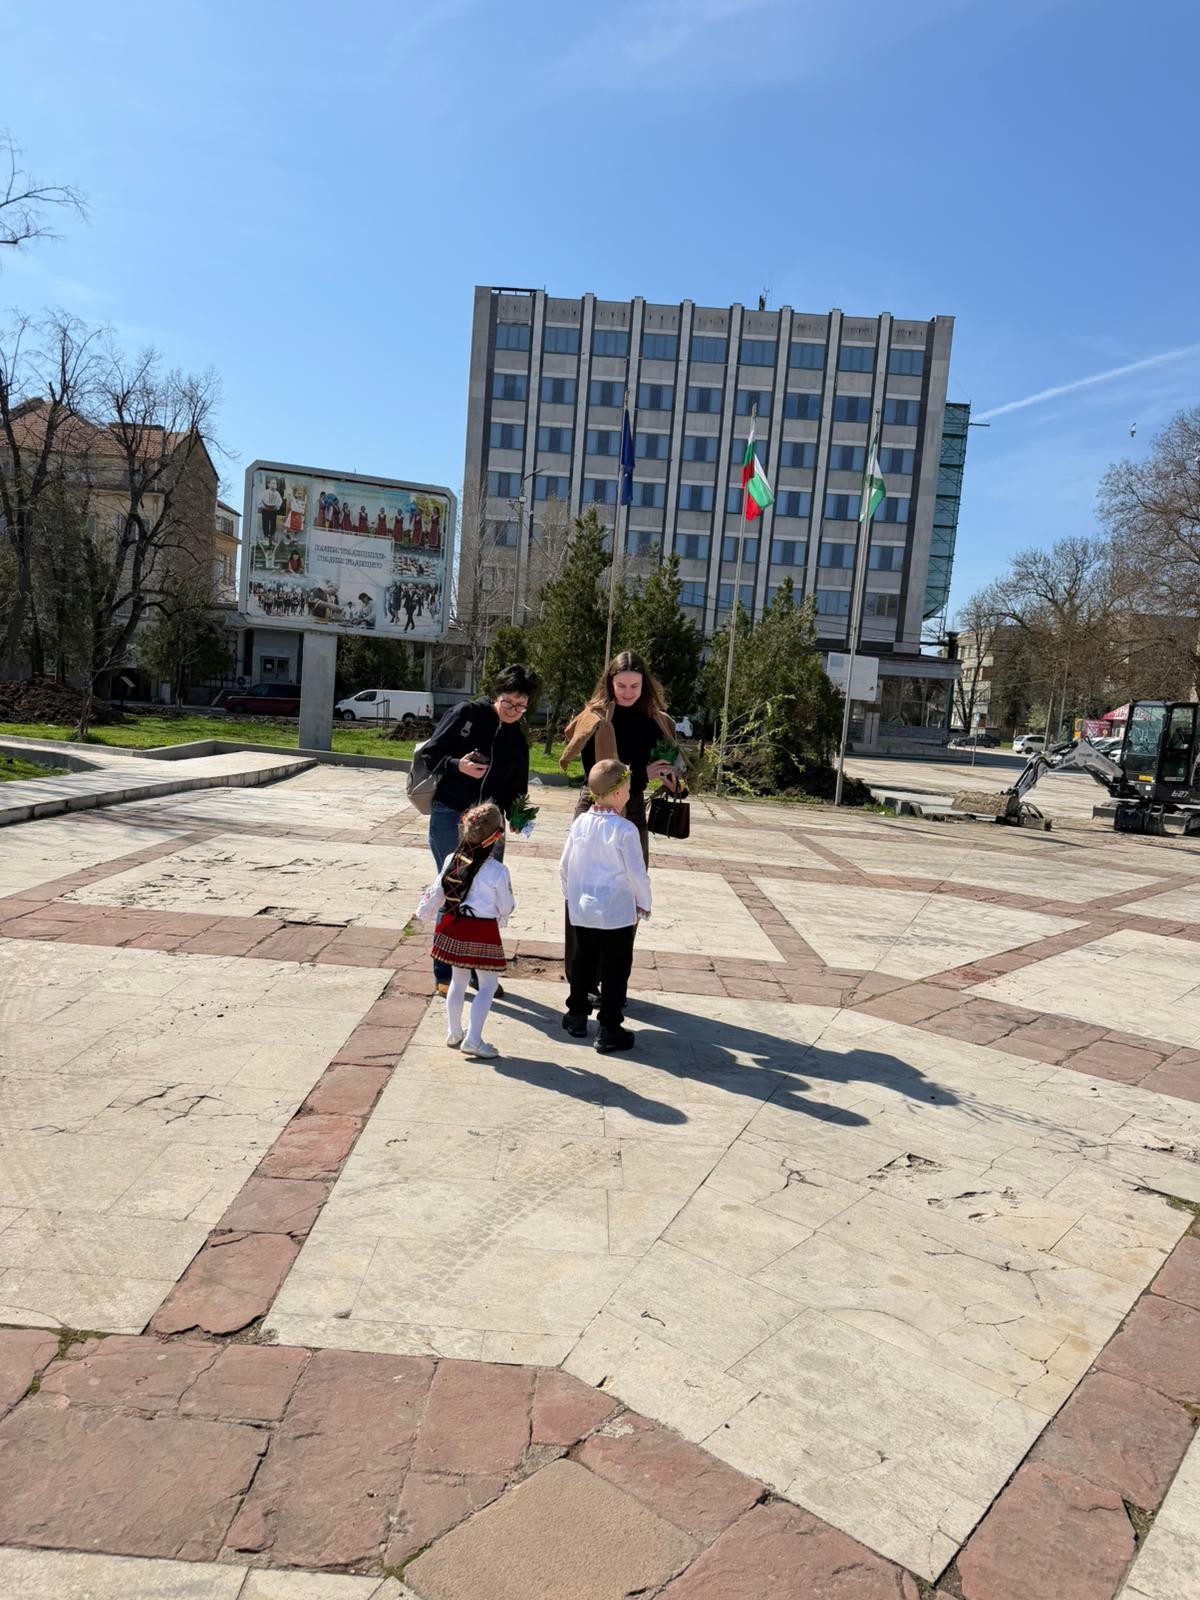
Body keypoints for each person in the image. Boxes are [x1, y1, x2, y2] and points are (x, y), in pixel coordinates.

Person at [558, 650, 683, 972]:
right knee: (583, 884)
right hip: (593, 805)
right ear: (610, 683)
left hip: (634, 807)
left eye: (635, 686)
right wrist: (644, 773)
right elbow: (596, 776)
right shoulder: (596, 717)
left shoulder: (657, 720)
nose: (628, 692)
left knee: (628, 887)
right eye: (622, 685)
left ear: (645, 685)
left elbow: (676, 768)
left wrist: (673, 780)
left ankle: (612, 974)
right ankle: (580, 975)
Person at [421, 663, 539, 995]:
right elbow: (431, 754)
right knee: (454, 889)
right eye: (508, 702)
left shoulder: (517, 739)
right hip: (451, 815)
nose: (513, 711)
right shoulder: (467, 714)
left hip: (490, 826)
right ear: (496, 694)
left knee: (483, 896)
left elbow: (517, 788)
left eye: (521, 706)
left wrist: (518, 816)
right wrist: (458, 765)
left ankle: (475, 971)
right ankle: (445, 972)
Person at [560, 759, 652, 1053]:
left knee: (583, 959)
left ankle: (576, 1015)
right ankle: (609, 1027)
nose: (629, 793)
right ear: (617, 793)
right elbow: (636, 872)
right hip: (616, 912)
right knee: (615, 968)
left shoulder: (580, 823)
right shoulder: (625, 830)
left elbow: (565, 865)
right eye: (628, 788)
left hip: (584, 908)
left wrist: (570, 896)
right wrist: (644, 902)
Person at [416, 802, 513, 1060]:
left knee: (457, 981)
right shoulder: (497, 871)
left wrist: (424, 913)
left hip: (454, 926)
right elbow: (506, 905)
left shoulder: (452, 859)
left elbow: (436, 892)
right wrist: (502, 914)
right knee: (488, 985)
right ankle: (473, 1039)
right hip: (482, 931)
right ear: (496, 837)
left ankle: (454, 1031)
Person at [259, 478, 282, 547]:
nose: (274, 485)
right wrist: (262, 506)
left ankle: (272, 536)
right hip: (266, 510)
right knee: (265, 522)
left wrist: (277, 506)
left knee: (273, 523)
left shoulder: (277, 493)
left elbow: (280, 501)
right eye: (273, 483)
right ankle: (266, 536)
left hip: (273, 510)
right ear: (268, 484)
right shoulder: (265, 492)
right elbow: (260, 500)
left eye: (275, 483)